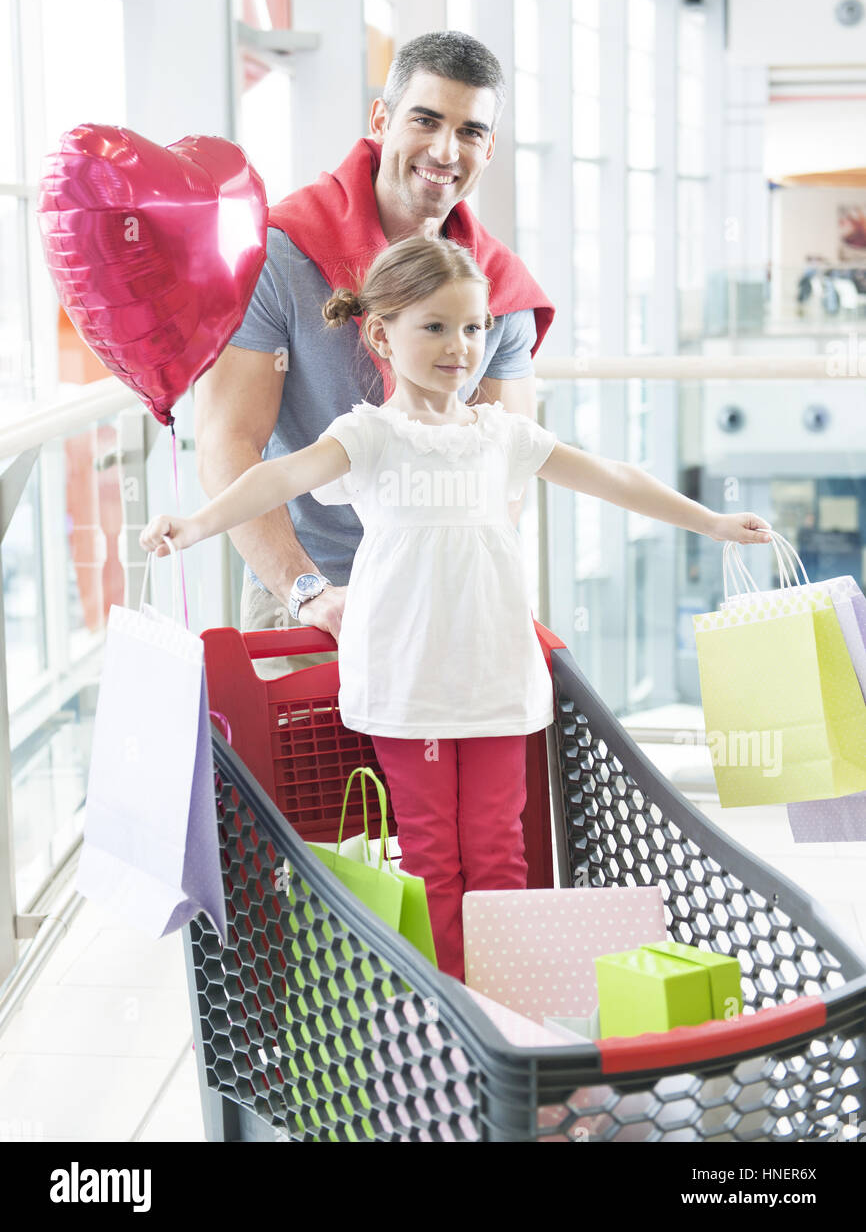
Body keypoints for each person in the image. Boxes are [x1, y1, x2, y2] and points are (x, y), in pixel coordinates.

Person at [142, 236, 773, 981]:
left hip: (496, 681)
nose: (459, 346)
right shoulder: (368, 435)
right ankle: (453, 1029)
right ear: (382, 334)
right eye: (435, 327)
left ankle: (508, 1020)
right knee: (434, 857)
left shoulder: (500, 435)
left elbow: (610, 477)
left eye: (473, 328)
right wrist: (193, 523)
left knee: (500, 850)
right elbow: (275, 477)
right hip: (409, 685)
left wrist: (713, 523)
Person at [193, 31, 554, 676]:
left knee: (448, 781)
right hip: (307, 598)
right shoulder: (279, 255)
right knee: (308, 781)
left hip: (446, 603)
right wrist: (308, 594)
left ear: (489, 149)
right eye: (426, 120)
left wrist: (472, 593)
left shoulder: (503, 288)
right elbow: (229, 442)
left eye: (470, 131)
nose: (445, 151)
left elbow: (507, 474)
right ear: (381, 119)